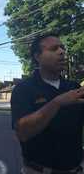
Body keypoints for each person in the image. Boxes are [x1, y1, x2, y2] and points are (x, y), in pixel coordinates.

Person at [11, 33, 84, 174]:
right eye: (54, 48)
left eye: (62, 48)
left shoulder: (74, 87)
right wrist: (56, 103)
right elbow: (23, 133)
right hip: (38, 170)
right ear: (37, 56)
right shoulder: (23, 89)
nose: (62, 52)